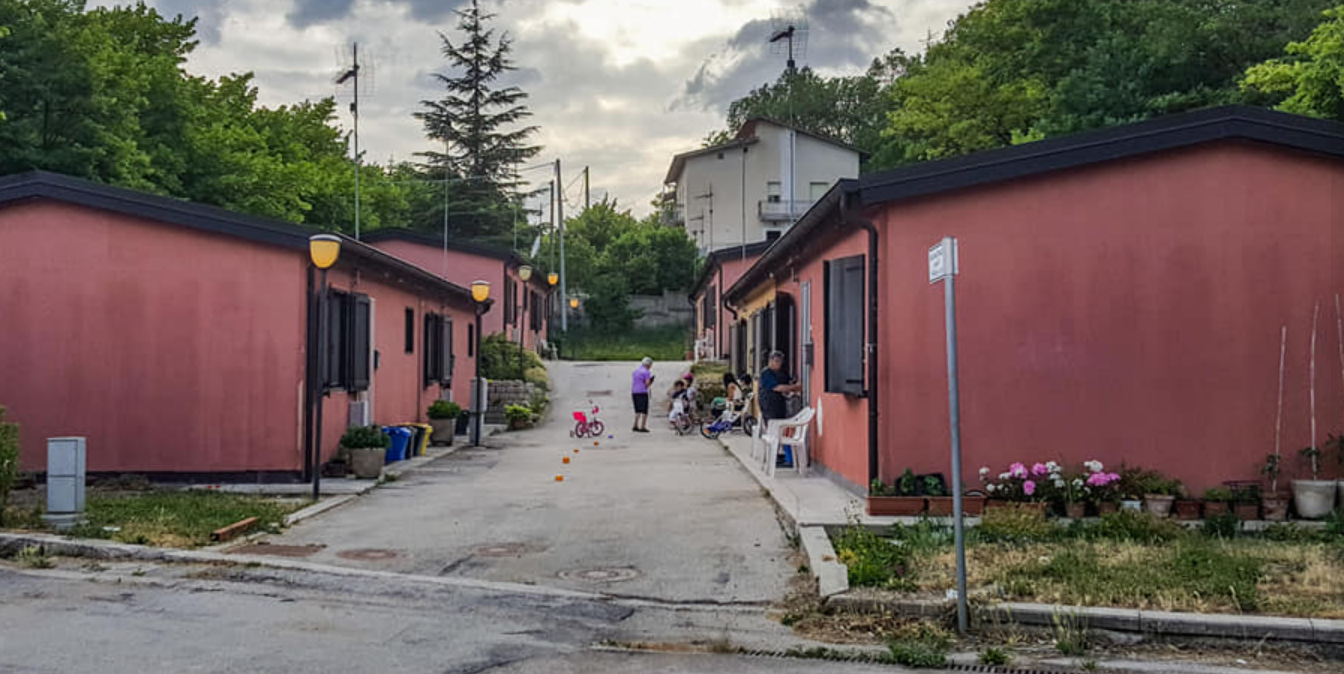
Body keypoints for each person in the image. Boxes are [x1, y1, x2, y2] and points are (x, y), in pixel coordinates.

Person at [758, 351, 801, 427]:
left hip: (779, 404)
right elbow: (778, 388)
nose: (779, 364)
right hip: (769, 404)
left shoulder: (781, 373)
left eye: (780, 361)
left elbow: (788, 383)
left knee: (780, 425)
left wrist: (793, 386)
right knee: (772, 425)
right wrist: (796, 387)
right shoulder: (766, 373)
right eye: (776, 361)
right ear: (770, 361)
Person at [631, 356, 655, 433]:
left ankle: (635, 425)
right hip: (642, 392)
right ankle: (643, 426)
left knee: (637, 409)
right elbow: (647, 383)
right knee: (644, 410)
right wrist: (651, 381)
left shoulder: (636, 371)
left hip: (634, 391)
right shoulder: (646, 372)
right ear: (648, 365)